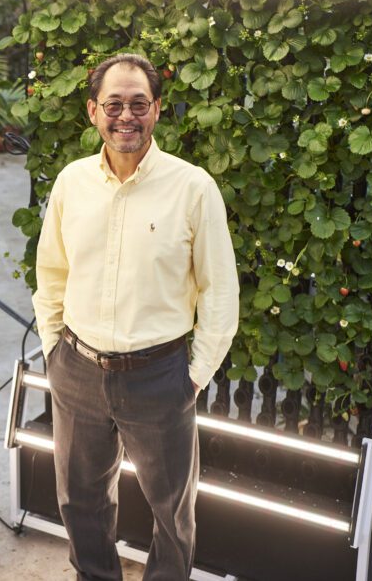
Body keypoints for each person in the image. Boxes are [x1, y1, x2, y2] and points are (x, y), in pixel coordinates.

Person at [32, 53, 239, 580]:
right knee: (80, 504)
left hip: (160, 376)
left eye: (139, 104)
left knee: (172, 515)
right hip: (76, 370)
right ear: (93, 112)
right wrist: (54, 350)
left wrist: (193, 377)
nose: (127, 116)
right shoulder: (71, 183)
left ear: (158, 110)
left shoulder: (193, 188)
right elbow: (51, 272)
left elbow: (220, 293)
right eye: (114, 104)